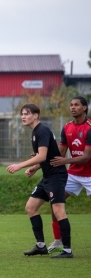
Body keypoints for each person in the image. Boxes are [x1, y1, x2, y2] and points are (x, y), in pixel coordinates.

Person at [6, 103, 73, 258]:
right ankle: (41, 245)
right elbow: (45, 157)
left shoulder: (41, 130)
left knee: (58, 211)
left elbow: (42, 156)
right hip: (48, 176)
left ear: (35, 115)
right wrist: (35, 168)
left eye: (26, 113)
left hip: (56, 176)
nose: (23, 116)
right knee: (30, 207)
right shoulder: (36, 132)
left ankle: (67, 250)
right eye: (22, 114)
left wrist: (19, 165)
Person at [47, 96, 91, 253]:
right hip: (73, 174)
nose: (73, 107)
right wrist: (43, 157)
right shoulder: (66, 128)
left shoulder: (90, 127)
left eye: (77, 105)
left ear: (84, 108)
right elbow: (60, 152)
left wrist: (65, 160)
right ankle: (58, 240)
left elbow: (86, 157)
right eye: (71, 105)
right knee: (55, 202)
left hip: (90, 175)